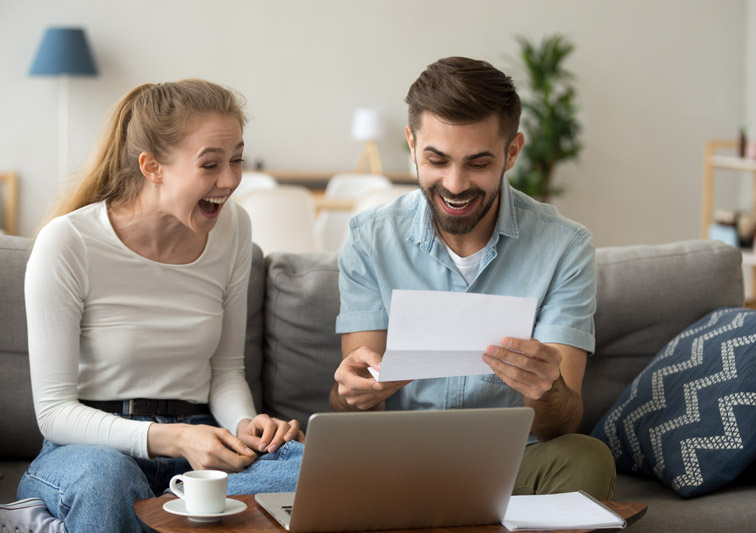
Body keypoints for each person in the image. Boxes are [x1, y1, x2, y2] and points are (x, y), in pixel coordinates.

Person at [13, 79, 303, 533]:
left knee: (303, 466)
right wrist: (175, 438)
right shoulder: (69, 242)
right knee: (108, 479)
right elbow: (53, 412)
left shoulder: (233, 230)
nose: (229, 181)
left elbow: (225, 372)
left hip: (201, 443)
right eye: (209, 164)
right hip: (92, 448)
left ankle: (148, 511)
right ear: (152, 167)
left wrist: (245, 425)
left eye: (236, 160)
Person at [330, 57, 616, 499]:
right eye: (436, 160)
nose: (455, 184)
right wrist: (351, 393)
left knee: (586, 456)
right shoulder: (370, 239)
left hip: (510, 465)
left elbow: (562, 422)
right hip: (398, 462)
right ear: (411, 144)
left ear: (512, 152)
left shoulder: (564, 247)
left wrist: (547, 389)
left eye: (478, 163)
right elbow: (354, 409)